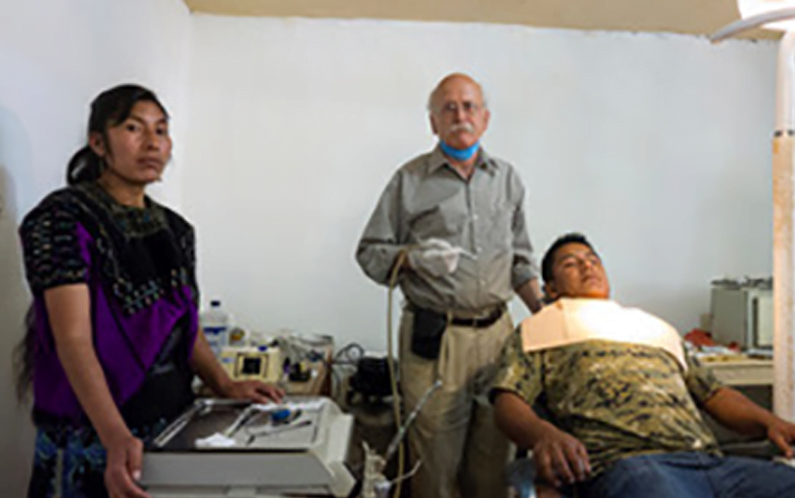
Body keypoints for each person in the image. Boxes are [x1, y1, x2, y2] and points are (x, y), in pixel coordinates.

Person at [14, 84, 284, 498]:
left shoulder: (175, 230)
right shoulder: (62, 219)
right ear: (98, 143)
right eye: (133, 128)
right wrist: (114, 435)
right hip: (93, 432)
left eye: (161, 131)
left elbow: (185, 326)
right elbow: (72, 337)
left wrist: (224, 385)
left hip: (168, 422)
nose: (152, 143)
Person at [492, 232, 795, 498]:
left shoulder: (653, 328)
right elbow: (508, 398)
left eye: (593, 260)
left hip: (710, 462)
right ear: (551, 289)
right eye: (570, 263)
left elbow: (713, 394)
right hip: (630, 463)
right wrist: (544, 434)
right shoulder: (539, 329)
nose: (587, 266)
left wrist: (770, 422)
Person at [356, 72, 544, 498]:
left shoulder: (507, 179)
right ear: (433, 123)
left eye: (469, 106)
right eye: (449, 107)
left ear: (485, 118)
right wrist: (411, 258)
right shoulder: (409, 181)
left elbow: (521, 260)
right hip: (435, 339)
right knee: (434, 461)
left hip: (498, 334)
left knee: (494, 456)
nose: (460, 114)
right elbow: (369, 253)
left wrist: (547, 313)